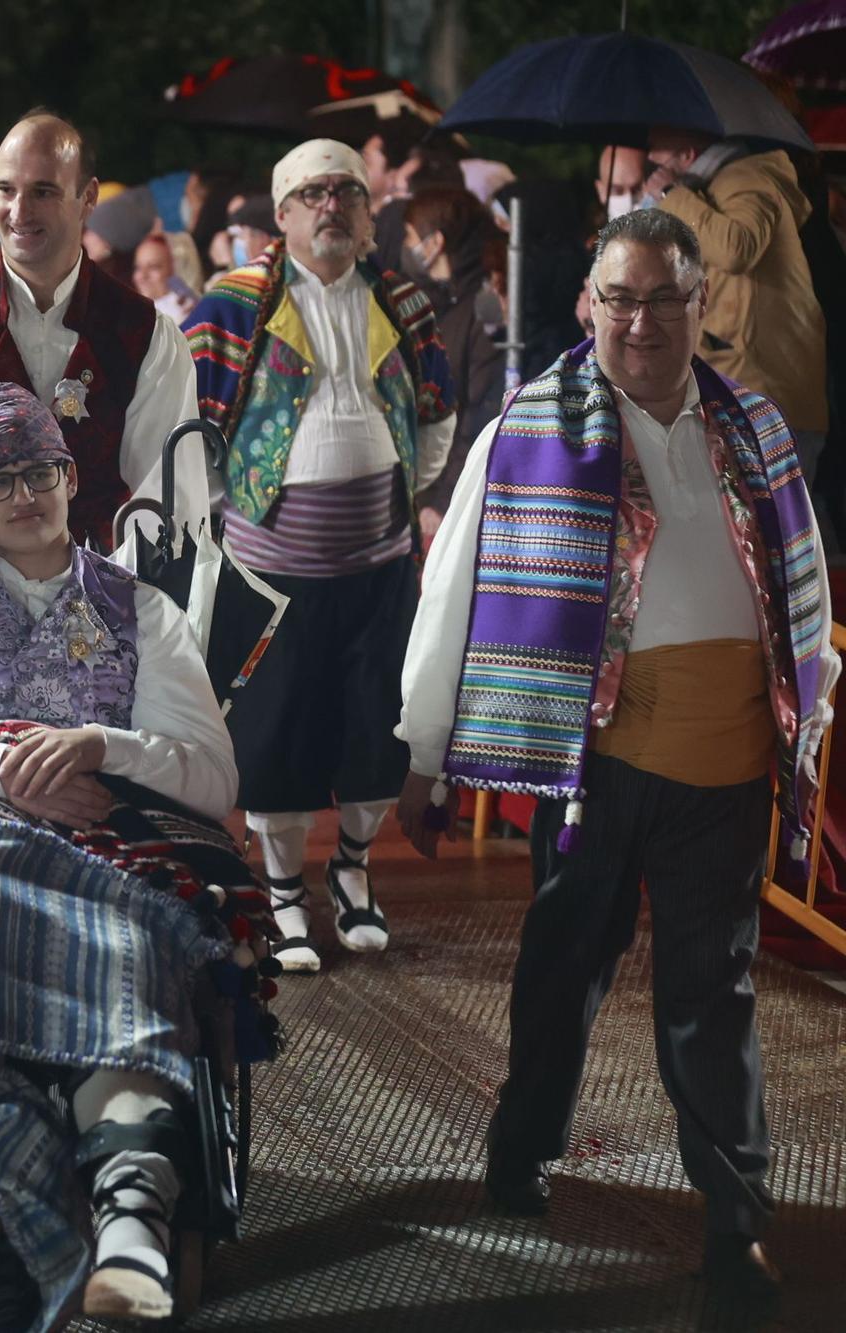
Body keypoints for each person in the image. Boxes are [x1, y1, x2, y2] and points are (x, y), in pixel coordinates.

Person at [396, 209, 836, 1312]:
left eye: (661, 299)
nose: (638, 321)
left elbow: (803, 576)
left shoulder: (754, 431)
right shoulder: (522, 433)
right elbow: (448, 597)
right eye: (618, 298)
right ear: (588, 304)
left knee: (711, 990)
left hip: (729, 756)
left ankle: (735, 1221)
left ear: (698, 309)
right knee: (562, 968)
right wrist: (421, 748)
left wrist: (809, 716)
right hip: (586, 761)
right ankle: (522, 1142)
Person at [0, 382, 246, 1331]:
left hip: (106, 844)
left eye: (42, 471)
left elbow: (210, 774)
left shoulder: (141, 612)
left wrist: (105, 746)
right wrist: (1, 771)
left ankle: (131, 1214)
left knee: (136, 908)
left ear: (71, 478)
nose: (25, 493)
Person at [182, 139, 455, 973]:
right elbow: (190, 433)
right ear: (283, 214)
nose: (331, 206)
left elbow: (438, 419)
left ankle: (352, 872)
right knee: (277, 738)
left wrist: (390, 495)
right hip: (273, 577)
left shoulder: (403, 299)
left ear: (370, 212)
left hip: (379, 567)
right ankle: (283, 890)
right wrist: (245, 520)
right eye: (313, 194)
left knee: (381, 731)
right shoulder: (231, 306)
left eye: (347, 193)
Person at [0, 110, 206, 615]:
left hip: (104, 622)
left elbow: (168, 508)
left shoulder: (146, 337)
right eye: (5, 190)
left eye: (43, 191)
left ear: (87, 197)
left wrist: (126, 626)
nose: (18, 210)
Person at [647, 129, 830, 505]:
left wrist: (672, 196)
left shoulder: (748, 176)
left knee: (772, 532)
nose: (651, 159)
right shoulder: (717, 185)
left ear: (687, 151)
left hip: (763, 390)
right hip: (747, 386)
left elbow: (736, 247)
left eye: (657, 148)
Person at [404, 187, 508, 527]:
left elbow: (479, 413)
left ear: (434, 244)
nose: (405, 248)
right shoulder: (439, 304)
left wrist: (442, 499)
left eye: (410, 237)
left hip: (450, 500)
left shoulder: (482, 307)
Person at [131, 233, 195, 323]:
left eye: (153, 267)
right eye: (138, 267)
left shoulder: (186, 316)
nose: (142, 276)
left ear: (174, 269)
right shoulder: (131, 310)